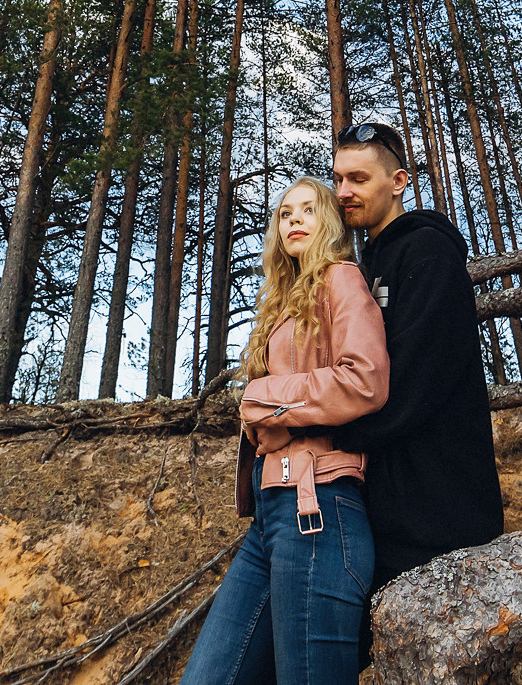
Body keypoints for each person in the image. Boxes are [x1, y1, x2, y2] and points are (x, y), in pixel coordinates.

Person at [180, 177, 389, 685]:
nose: (294, 219)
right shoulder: (284, 301)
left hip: (319, 510)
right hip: (270, 515)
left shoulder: (341, 277)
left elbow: (365, 380)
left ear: (330, 223)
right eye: (285, 212)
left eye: (309, 210)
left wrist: (264, 399)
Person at [327, 122, 502, 636]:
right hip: (385, 516)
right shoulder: (364, 266)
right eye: (338, 179)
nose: (343, 192)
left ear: (399, 181)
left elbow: (417, 380)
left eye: (359, 179)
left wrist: (332, 433)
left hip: (440, 522)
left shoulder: (427, 251)